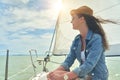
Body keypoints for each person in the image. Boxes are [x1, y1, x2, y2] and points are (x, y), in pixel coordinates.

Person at [47, 5, 112, 80]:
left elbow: (88, 65)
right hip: (84, 77)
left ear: (82, 19)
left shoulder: (96, 39)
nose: (71, 21)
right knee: (55, 74)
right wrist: (53, 73)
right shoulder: (77, 40)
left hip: (97, 78)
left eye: (73, 18)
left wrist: (63, 77)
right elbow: (68, 61)